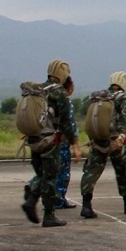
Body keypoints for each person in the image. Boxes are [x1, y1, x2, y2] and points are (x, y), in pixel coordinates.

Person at [79, 71, 126, 218]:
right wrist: (122, 136)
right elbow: (123, 120)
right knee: (123, 170)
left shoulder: (100, 98)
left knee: (91, 172)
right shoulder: (121, 97)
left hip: (98, 140)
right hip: (115, 141)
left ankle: (86, 206)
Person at [23, 60, 74, 228]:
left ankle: (31, 201)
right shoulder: (59, 93)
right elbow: (66, 121)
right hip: (50, 141)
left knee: (41, 175)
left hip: (34, 139)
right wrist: (73, 141)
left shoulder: (39, 90)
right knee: (51, 176)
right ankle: (49, 215)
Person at [52, 76, 76, 210]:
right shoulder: (65, 101)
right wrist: (74, 141)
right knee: (63, 172)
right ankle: (59, 199)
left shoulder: (52, 99)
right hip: (62, 141)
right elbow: (69, 123)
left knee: (51, 170)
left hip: (50, 140)